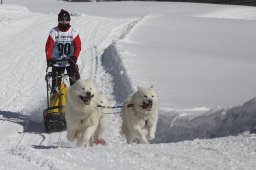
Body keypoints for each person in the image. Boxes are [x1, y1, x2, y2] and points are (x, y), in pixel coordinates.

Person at [45, 9, 81, 91]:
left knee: (75, 84)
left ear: (69, 20)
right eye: (62, 20)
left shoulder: (73, 32)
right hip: (57, 61)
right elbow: (48, 47)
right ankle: (56, 99)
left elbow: (78, 47)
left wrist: (75, 57)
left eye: (66, 20)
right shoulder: (54, 32)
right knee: (56, 86)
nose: (64, 22)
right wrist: (49, 59)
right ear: (58, 20)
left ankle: (77, 100)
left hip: (71, 60)